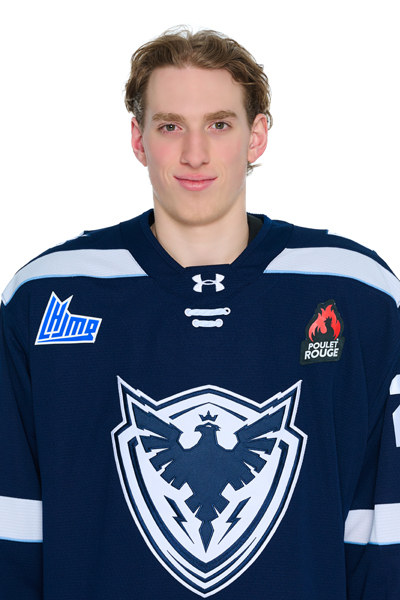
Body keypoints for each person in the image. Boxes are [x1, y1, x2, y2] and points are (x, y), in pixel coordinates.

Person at [1, 26, 399, 600]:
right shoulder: (47, 296)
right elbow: (14, 525)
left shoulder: (357, 293)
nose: (194, 154)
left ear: (256, 136)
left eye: (219, 124)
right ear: (138, 139)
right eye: (170, 126)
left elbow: (384, 527)